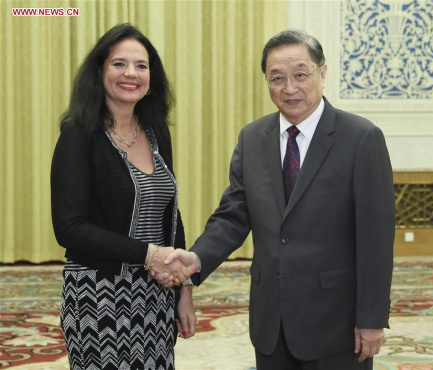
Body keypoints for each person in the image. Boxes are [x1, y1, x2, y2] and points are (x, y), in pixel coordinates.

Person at [157, 29, 395, 369]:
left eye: (301, 74)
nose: (290, 88)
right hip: (271, 321)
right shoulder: (253, 138)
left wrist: (371, 318)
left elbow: (377, 237)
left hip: (336, 323)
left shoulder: (360, 138)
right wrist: (197, 258)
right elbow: (233, 215)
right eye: (277, 78)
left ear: (322, 73)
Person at [51, 24, 196, 370]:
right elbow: (69, 228)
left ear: (151, 76)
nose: (131, 73)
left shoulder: (157, 131)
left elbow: (170, 214)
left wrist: (184, 288)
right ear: (99, 71)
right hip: (97, 295)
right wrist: (149, 255)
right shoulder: (78, 135)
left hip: (156, 294)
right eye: (119, 64)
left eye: (141, 65)